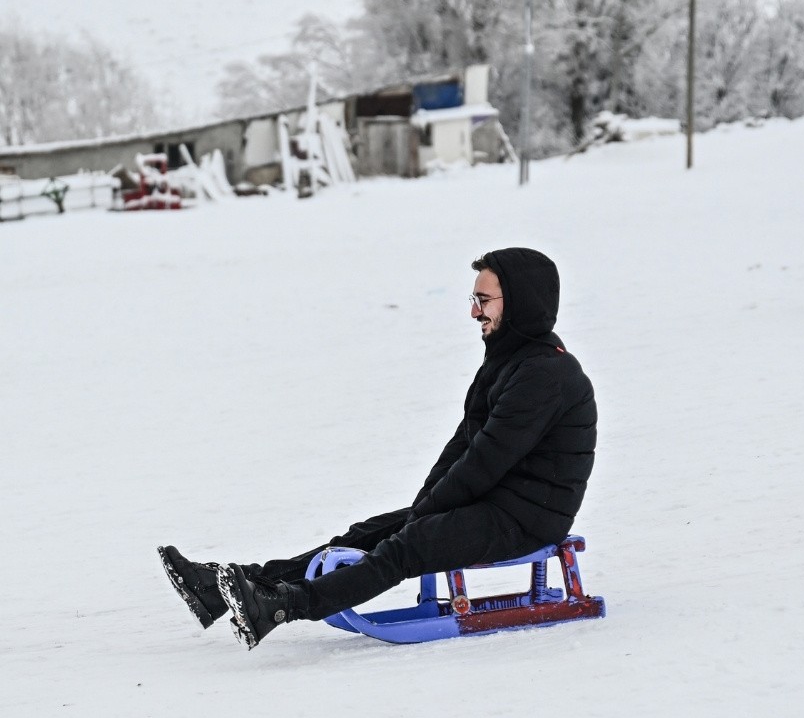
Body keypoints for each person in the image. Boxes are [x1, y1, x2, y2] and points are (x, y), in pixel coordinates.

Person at [158, 247, 597, 649]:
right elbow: (463, 445)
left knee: (412, 541)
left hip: (529, 518)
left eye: (484, 300)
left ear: (519, 302)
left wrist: (425, 516)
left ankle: (283, 605)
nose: (473, 312)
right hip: (496, 503)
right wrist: (424, 502)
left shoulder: (546, 374)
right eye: (474, 298)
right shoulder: (509, 361)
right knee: (368, 533)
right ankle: (231, 589)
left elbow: (485, 461)